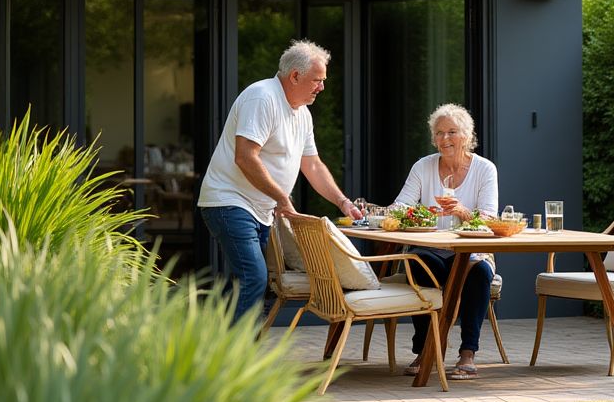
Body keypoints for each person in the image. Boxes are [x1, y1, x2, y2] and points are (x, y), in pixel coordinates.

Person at [198, 39, 361, 323]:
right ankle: (235, 359)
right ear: (295, 76)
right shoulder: (262, 97)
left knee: (243, 283)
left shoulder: (302, 114)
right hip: (230, 202)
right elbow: (245, 157)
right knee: (254, 277)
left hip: (259, 210)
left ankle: (207, 343)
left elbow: (312, 165)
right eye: (317, 80)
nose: (321, 87)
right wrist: (282, 197)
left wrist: (342, 201)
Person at [393, 103, 497, 380]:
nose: (445, 139)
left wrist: (461, 211)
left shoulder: (484, 169)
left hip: (470, 252)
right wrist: (417, 214)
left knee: (481, 273)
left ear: (467, 135)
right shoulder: (423, 166)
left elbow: (489, 217)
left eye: (452, 132)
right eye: (439, 133)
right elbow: (399, 207)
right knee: (417, 264)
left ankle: (468, 353)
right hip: (431, 250)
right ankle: (426, 347)